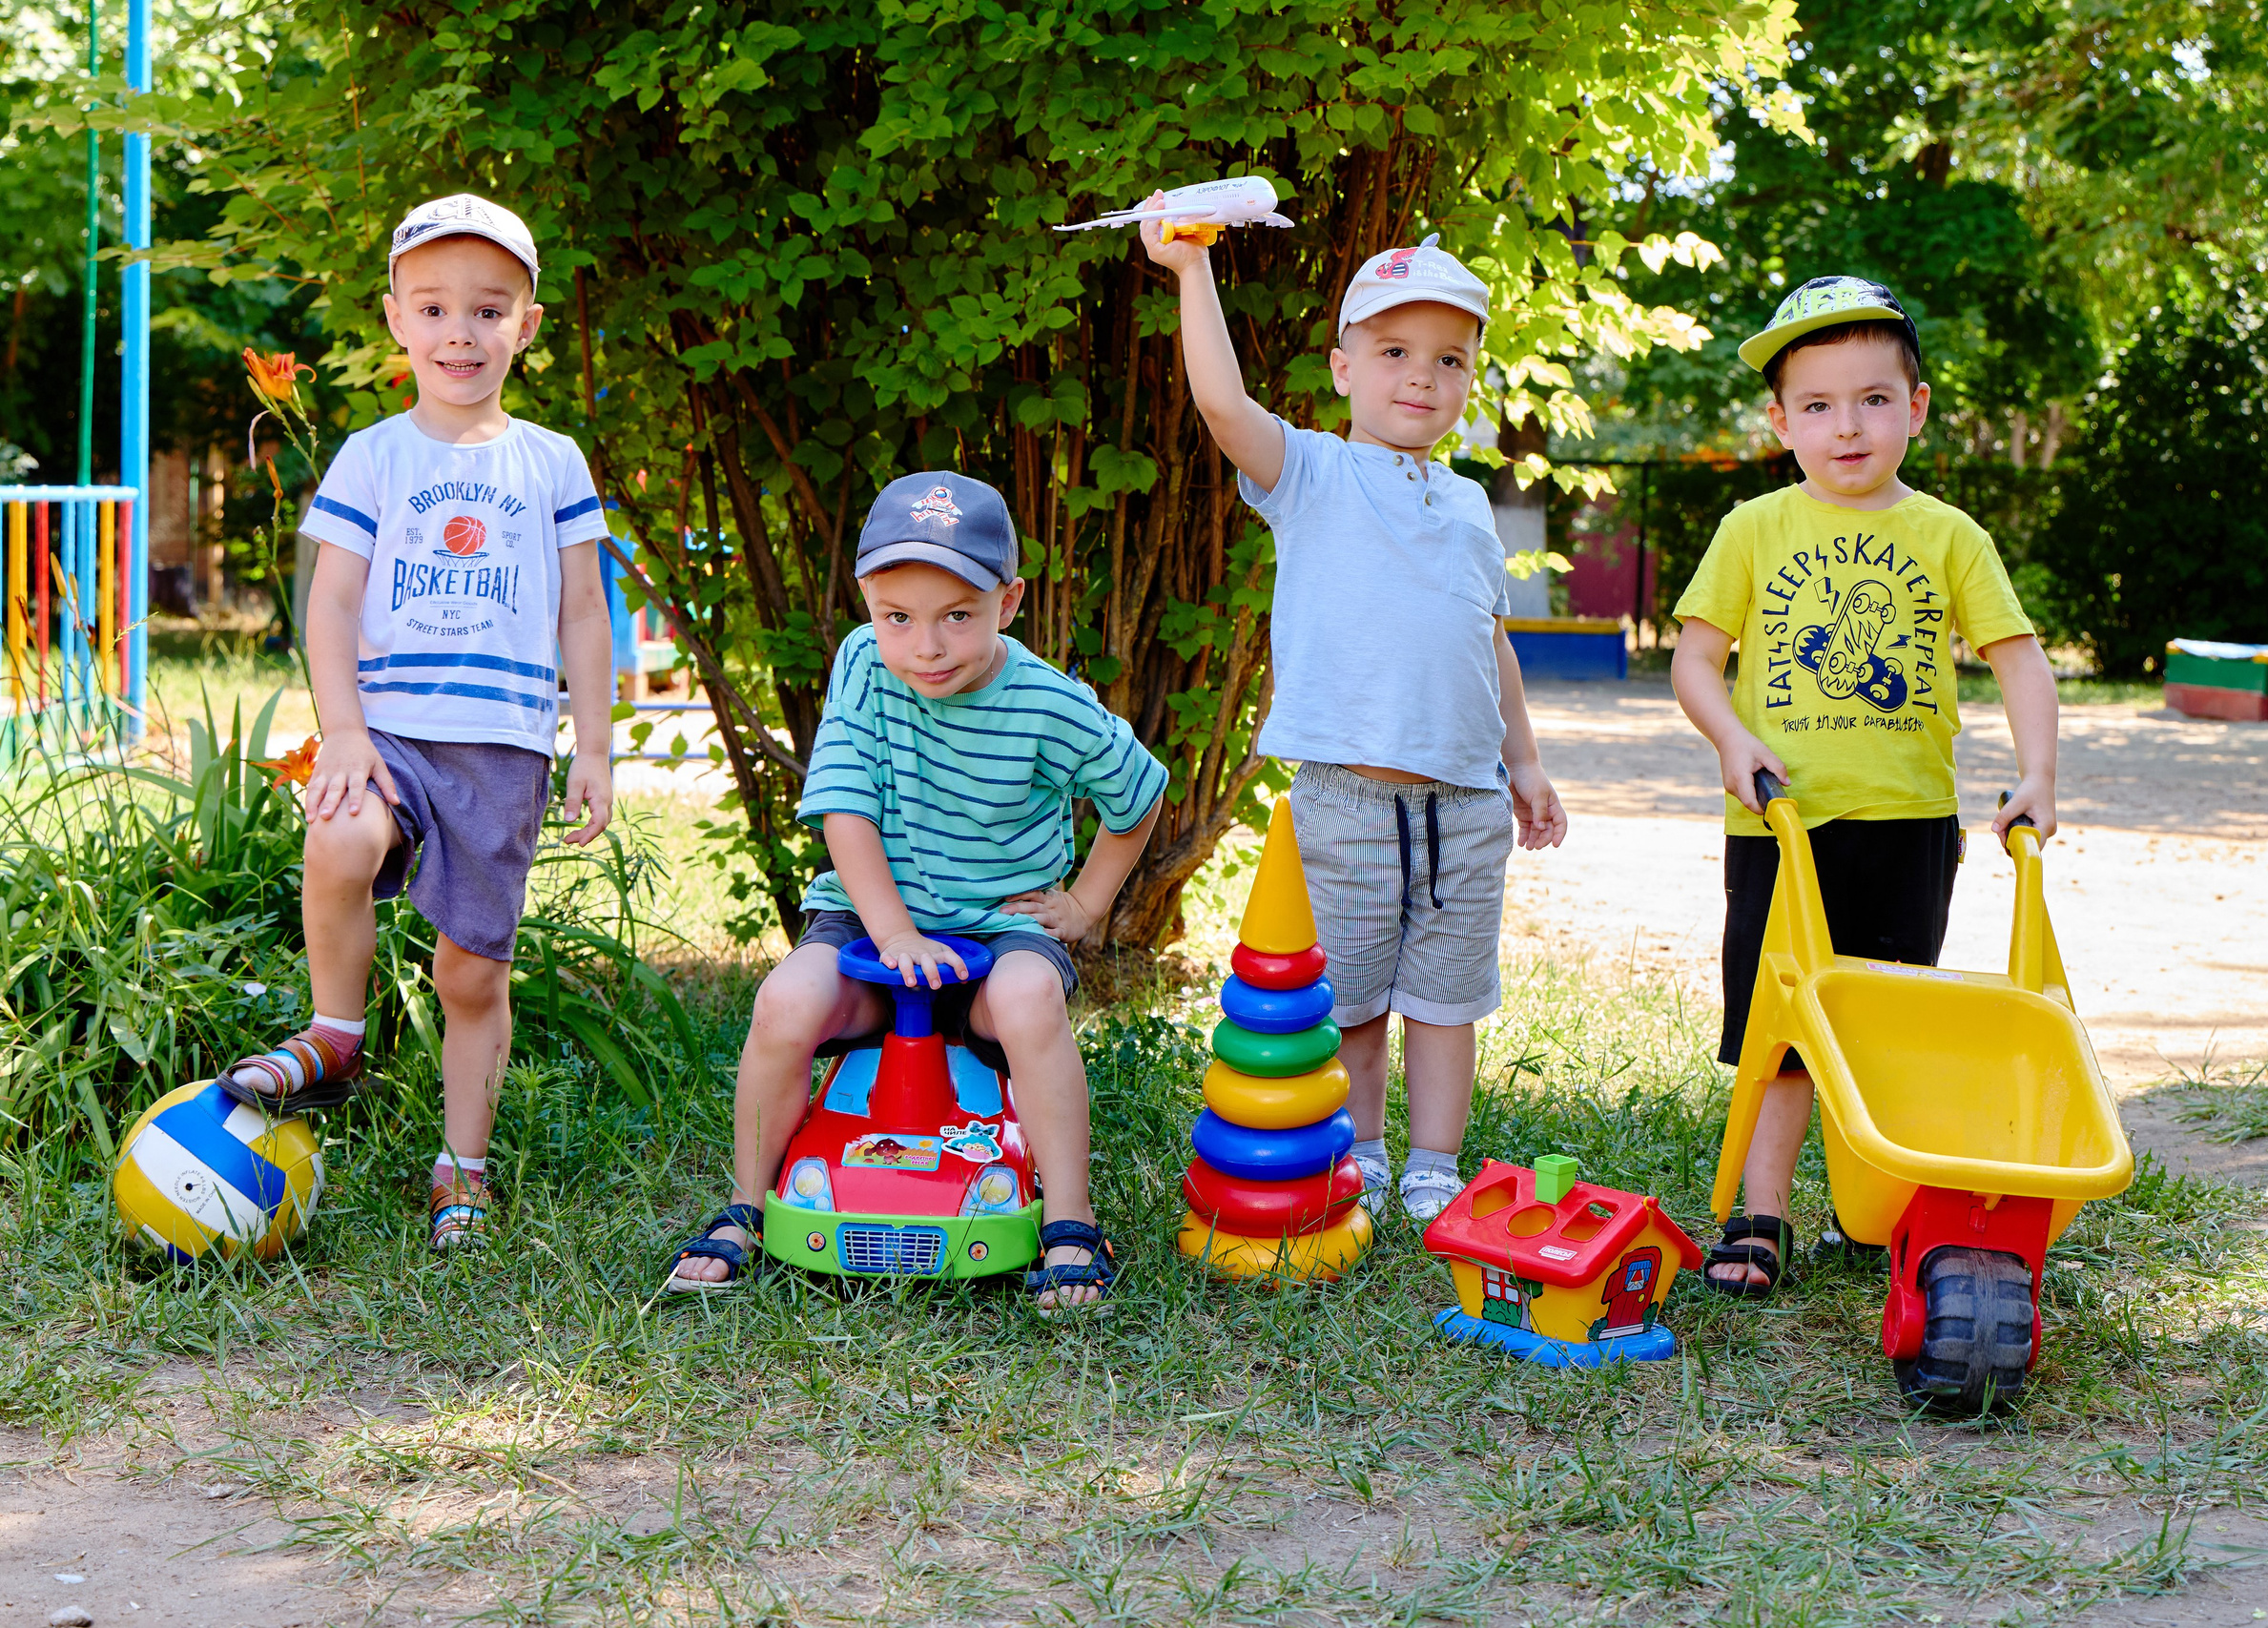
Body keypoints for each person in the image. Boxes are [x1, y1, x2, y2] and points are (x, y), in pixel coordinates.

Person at [1140, 207, 1568, 1221]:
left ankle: (1433, 1162)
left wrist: (1528, 764)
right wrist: (1190, 271)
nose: (1422, 376)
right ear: (1342, 370)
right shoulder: (1312, 474)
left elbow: (1488, 642)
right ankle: (1364, 1149)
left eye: (1450, 359)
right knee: (1358, 1003)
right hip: (1346, 803)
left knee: (1448, 998)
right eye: (1393, 352)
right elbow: (1218, 401)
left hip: (1465, 804)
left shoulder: (1468, 504)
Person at [215, 194, 616, 1254]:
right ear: (395, 318)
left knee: (469, 973)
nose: (459, 333)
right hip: (387, 730)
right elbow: (333, 602)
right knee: (341, 834)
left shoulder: (553, 461)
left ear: (525, 326)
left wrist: (597, 750)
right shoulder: (373, 456)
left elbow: (583, 609)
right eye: (434, 308)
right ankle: (335, 1036)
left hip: (505, 746)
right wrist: (340, 730)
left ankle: (462, 1168)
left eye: (488, 311)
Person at [664, 472, 1167, 1312]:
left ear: (1008, 602)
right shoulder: (865, 662)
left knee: (1033, 994)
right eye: (899, 616)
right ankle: (746, 1207)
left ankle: (1070, 1223)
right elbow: (847, 810)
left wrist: (1085, 905)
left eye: (957, 616)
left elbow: (1139, 793)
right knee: (784, 1001)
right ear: (868, 600)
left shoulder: (1048, 704)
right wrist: (892, 934)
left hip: (995, 938)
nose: (925, 647)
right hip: (870, 931)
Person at [1671, 276, 2061, 1295]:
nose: (1847, 426)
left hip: (1909, 825)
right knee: (1784, 1031)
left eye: (1874, 399)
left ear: (1916, 409)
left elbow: (2017, 658)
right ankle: (1763, 1214)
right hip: (1781, 824)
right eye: (1817, 405)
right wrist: (1729, 738)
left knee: (1885, 1029)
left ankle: (1877, 1205)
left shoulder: (1948, 537)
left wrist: (2039, 774)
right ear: (1780, 421)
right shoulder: (1752, 529)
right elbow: (1696, 660)